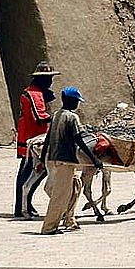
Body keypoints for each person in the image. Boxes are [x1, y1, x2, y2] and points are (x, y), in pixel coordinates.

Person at [39, 86, 104, 234]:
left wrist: (43, 158)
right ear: (70, 100)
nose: (77, 104)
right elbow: (79, 139)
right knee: (60, 196)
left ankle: (70, 219)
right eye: (76, 101)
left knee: (76, 187)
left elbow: (48, 138)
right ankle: (49, 227)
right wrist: (95, 159)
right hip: (66, 160)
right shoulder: (72, 117)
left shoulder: (56, 114)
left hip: (54, 158)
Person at [13, 61, 58, 218]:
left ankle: (25, 203)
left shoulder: (34, 91)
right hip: (32, 137)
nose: (51, 81)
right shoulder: (35, 94)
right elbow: (40, 117)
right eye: (48, 78)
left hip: (30, 134)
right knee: (31, 172)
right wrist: (57, 119)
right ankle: (22, 206)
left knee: (30, 172)